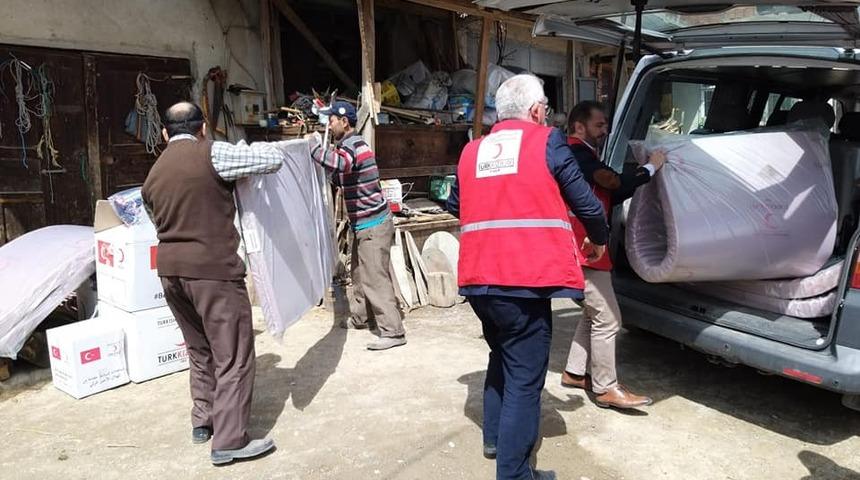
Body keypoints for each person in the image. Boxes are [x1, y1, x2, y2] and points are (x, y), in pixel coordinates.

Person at [447, 75, 609, 480]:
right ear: (537, 111)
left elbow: (455, 204)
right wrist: (599, 239)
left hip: (478, 279)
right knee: (525, 378)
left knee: (500, 355)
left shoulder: (472, 150)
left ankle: (495, 439)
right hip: (524, 280)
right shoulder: (547, 141)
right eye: (546, 110)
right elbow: (587, 204)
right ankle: (515, 474)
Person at [141, 102, 281, 465]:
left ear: (164, 134)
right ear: (203, 128)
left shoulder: (154, 173)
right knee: (233, 354)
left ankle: (203, 420)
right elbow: (271, 159)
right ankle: (230, 441)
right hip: (213, 271)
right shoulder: (213, 153)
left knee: (199, 348)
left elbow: (155, 219)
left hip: (170, 273)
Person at [561, 100, 666, 409]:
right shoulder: (577, 154)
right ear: (579, 127)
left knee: (592, 312)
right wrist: (651, 168)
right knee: (608, 319)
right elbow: (613, 181)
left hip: (583, 245)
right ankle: (606, 387)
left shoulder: (579, 154)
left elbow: (613, 191)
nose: (605, 130)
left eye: (606, 124)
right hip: (585, 248)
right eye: (599, 125)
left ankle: (575, 372)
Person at [307, 101, 406, 351]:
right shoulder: (347, 147)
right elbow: (340, 174)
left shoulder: (354, 146)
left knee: (375, 278)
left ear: (344, 122)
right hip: (363, 224)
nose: (329, 125)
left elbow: (342, 164)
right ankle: (362, 317)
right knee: (359, 275)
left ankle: (393, 331)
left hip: (373, 225)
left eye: (332, 121)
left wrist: (314, 149)